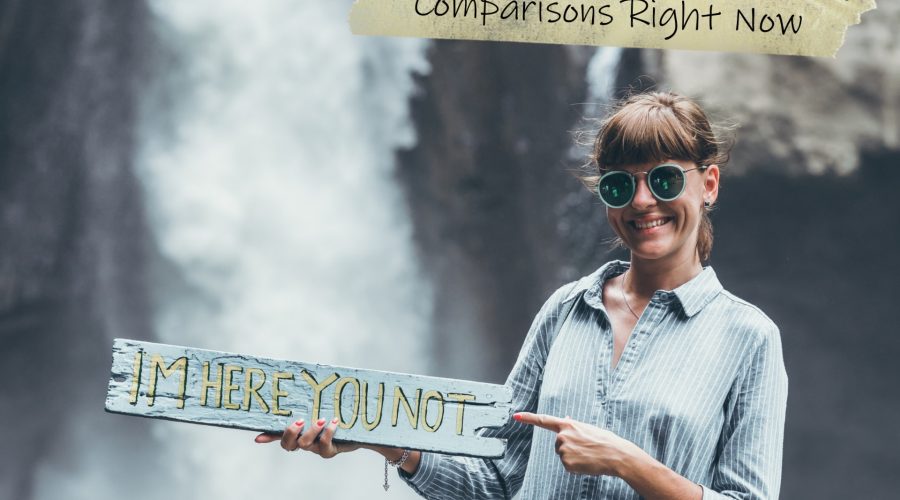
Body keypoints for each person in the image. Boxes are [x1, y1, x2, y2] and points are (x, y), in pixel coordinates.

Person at [255, 91, 788, 499]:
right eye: (620, 186)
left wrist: (628, 462)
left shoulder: (749, 339)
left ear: (709, 184)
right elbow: (495, 480)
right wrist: (382, 440)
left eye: (665, 180)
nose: (644, 202)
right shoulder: (566, 312)